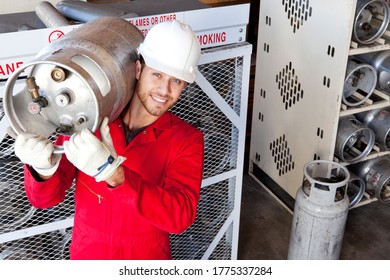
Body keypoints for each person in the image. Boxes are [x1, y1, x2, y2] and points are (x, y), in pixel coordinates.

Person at [14, 20, 204, 260]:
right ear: (138, 70)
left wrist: (114, 173)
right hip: (89, 255)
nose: (164, 90)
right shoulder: (89, 117)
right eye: (157, 74)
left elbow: (180, 217)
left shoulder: (186, 139)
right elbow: (45, 199)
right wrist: (41, 169)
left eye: (176, 80)